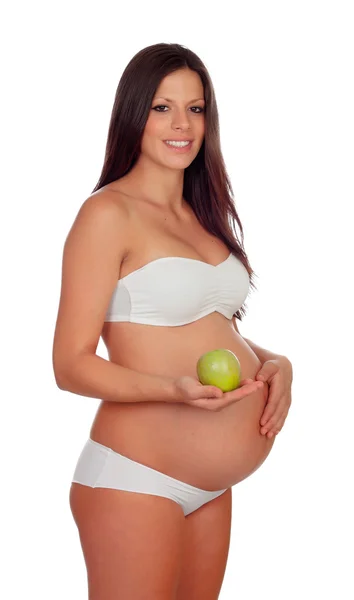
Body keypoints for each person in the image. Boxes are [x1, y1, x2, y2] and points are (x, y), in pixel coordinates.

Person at [52, 43, 293, 600]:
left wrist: (275, 361)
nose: (182, 124)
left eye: (196, 108)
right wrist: (174, 391)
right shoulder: (107, 214)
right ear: (134, 113)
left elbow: (207, 327)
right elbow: (69, 365)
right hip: (136, 478)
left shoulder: (203, 215)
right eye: (163, 108)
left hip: (210, 486)